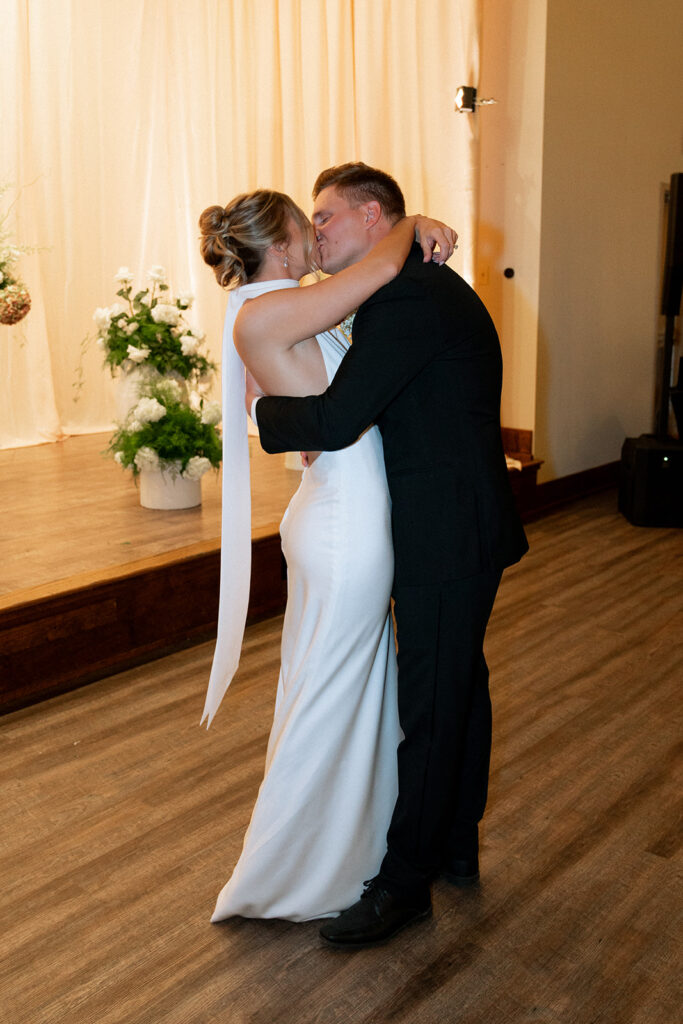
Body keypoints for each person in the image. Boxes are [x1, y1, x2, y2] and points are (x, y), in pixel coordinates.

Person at [249, 162, 529, 948]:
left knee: (433, 708)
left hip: (444, 531)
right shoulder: (409, 288)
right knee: (457, 687)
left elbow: (337, 419)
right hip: (462, 521)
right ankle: (453, 843)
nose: (317, 231)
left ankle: (403, 884)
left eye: (327, 217)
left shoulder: (407, 297)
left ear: (375, 218)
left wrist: (256, 413)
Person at [198, 188, 457, 922]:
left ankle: (347, 853)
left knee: (342, 690)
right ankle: (287, 873)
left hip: (344, 514)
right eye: (303, 224)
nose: (315, 234)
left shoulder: (280, 306)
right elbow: (376, 274)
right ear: (278, 245)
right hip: (345, 526)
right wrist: (410, 223)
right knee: (329, 696)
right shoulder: (268, 310)